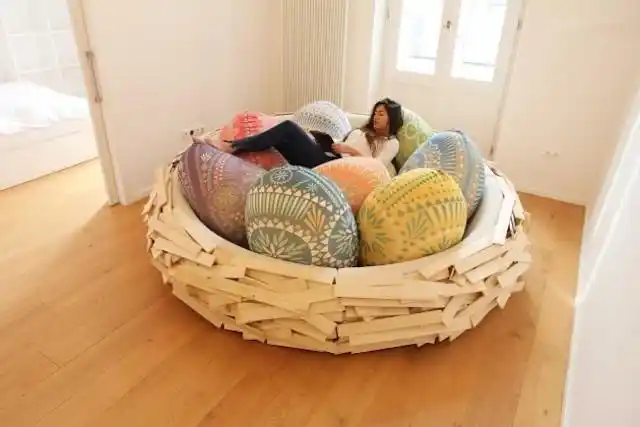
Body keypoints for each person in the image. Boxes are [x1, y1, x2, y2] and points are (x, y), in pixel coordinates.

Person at [333, 98, 403, 176]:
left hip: (360, 172)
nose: (375, 117)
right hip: (341, 160)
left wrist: (351, 151)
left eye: (381, 114)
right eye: (375, 114)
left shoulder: (393, 143)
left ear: (392, 118)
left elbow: (376, 167)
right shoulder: (364, 132)